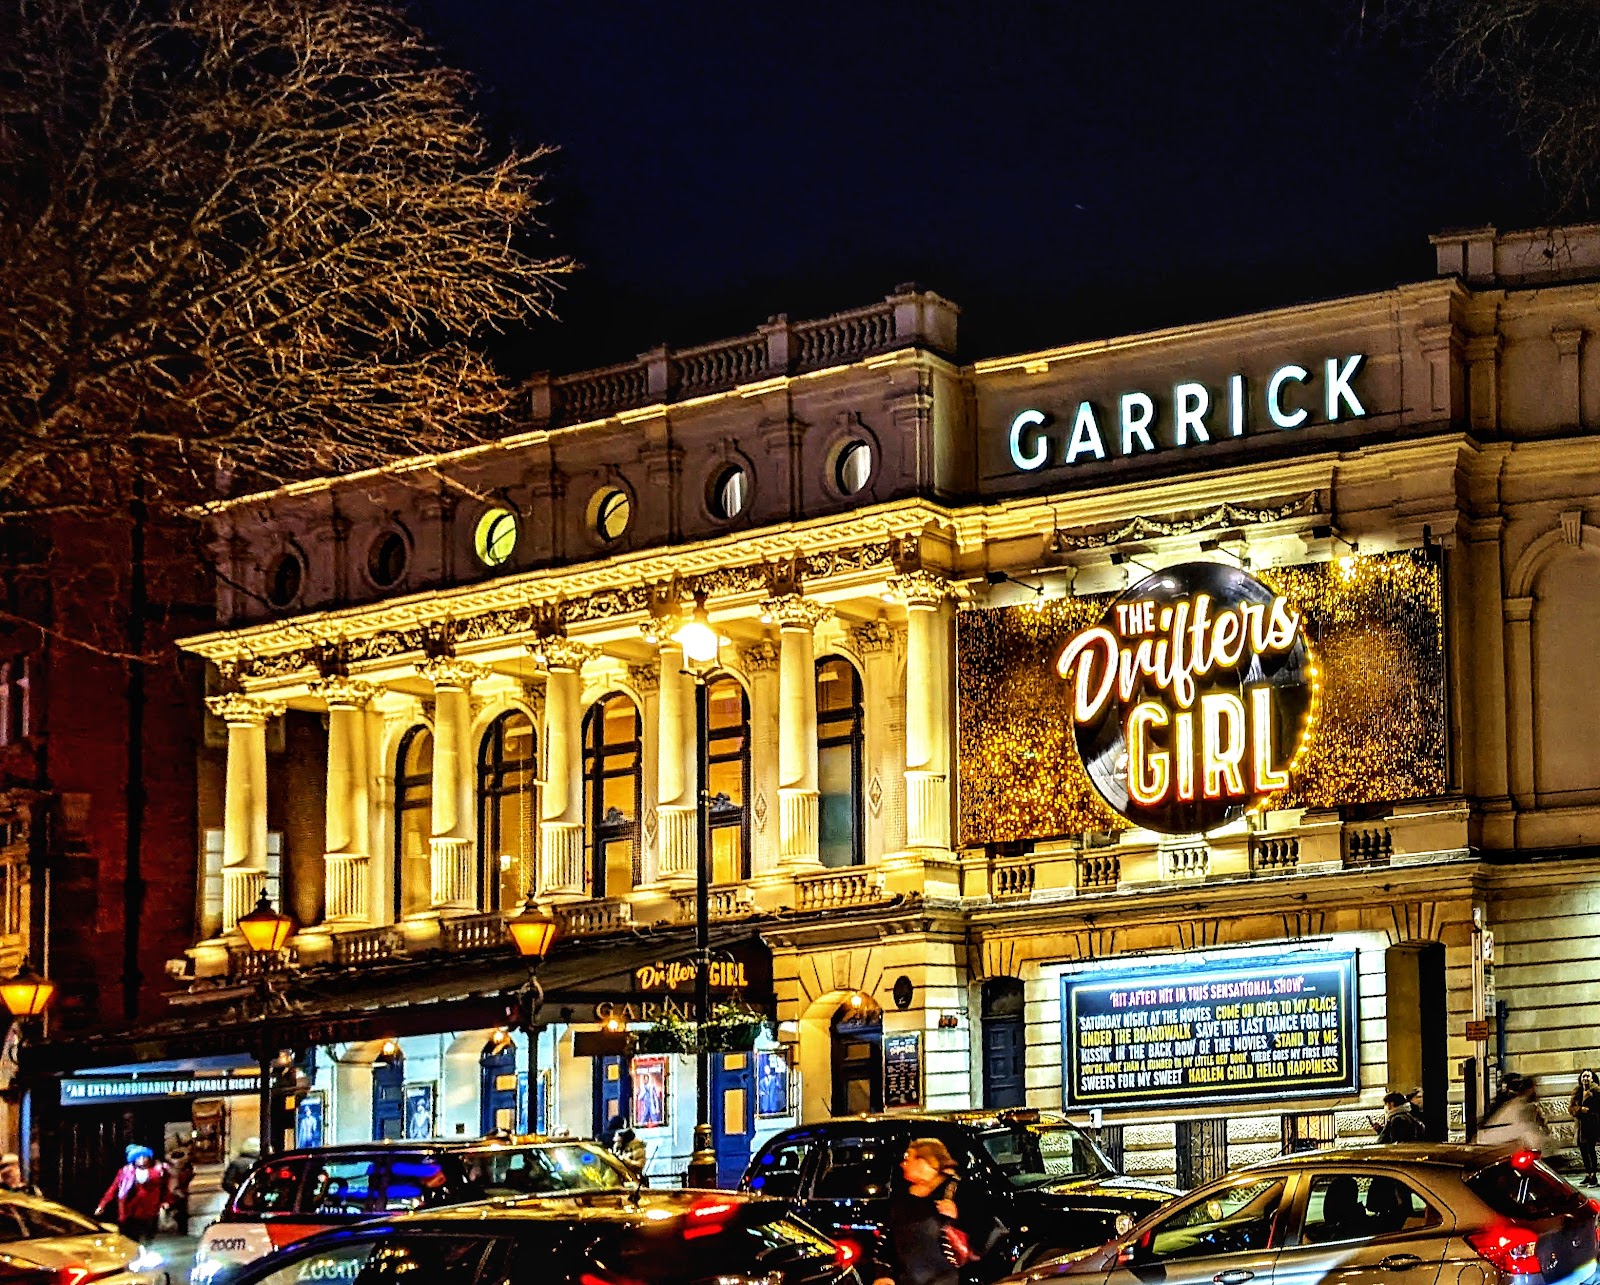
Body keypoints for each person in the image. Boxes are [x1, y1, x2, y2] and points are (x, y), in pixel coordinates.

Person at [867, 1138, 965, 1285]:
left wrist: (959, 1215)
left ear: (926, 1161)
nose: (902, 1164)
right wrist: (883, 1274)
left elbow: (983, 1235)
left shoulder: (957, 1190)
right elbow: (888, 1239)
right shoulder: (902, 1196)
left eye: (908, 1158)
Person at [94, 1145, 168, 1246]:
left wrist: (165, 1201)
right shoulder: (125, 1172)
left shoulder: (158, 1172)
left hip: (149, 1211)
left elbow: (165, 1188)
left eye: (144, 1157)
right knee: (129, 1240)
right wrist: (102, 1204)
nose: (142, 1160)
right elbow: (113, 1188)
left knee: (147, 1238)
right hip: (129, 1212)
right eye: (138, 1157)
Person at [1478, 1073, 1550, 1152]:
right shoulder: (1522, 1106)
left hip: (1492, 1148)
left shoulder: (1506, 1106)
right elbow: (1534, 1133)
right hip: (1507, 1149)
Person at [1569, 1069, 1600, 1185]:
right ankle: (1587, 1174)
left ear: (1592, 1079)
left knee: (1591, 1150)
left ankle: (1594, 1176)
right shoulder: (1577, 1092)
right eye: (1583, 1076)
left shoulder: (1597, 1091)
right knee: (1583, 1150)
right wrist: (1579, 1110)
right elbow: (1571, 1108)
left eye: (1588, 1076)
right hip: (1580, 1126)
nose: (1585, 1078)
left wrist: (1591, 1111)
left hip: (1592, 1124)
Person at [166, 1144, 196, 1235]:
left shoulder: (170, 1168)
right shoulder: (186, 1168)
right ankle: (182, 1229)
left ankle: (179, 1228)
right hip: (181, 1192)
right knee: (181, 1211)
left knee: (176, 1210)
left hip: (173, 1193)